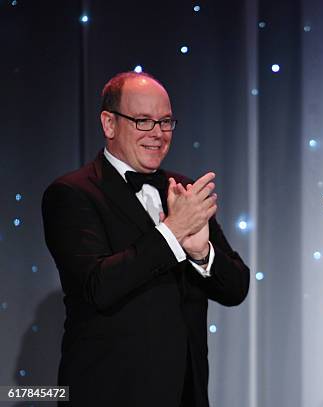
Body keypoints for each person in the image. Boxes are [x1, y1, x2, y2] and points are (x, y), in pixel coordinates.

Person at [42, 71, 249, 407]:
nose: (158, 134)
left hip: (185, 394)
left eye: (166, 122)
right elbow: (98, 286)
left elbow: (237, 287)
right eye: (143, 121)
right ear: (109, 124)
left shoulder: (182, 189)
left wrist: (201, 254)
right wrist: (171, 233)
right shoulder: (72, 193)